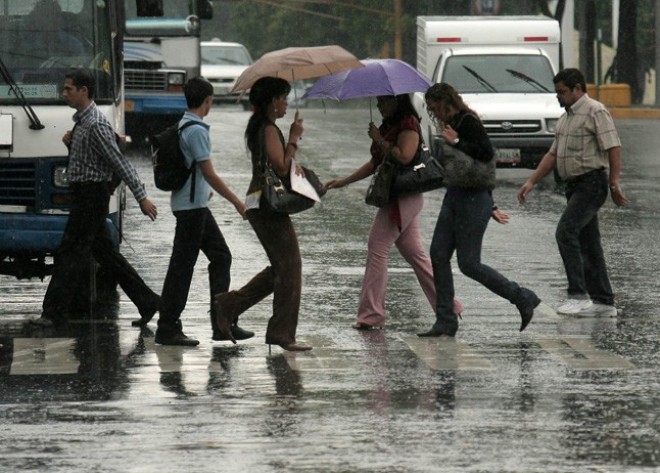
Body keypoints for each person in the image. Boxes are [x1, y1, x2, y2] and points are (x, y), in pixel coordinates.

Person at [33, 67, 160, 328]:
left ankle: (53, 313)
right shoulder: (82, 122)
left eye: (69, 89)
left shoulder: (96, 124)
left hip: (92, 196)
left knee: (70, 251)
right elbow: (87, 161)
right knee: (106, 254)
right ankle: (147, 301)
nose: (64, 93)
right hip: (85, 194)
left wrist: (142, 196)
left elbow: (120, 163)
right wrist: (71, 143)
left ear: (84, 91)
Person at [325, 94, 463, 330]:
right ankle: (449, 305)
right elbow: (375, 164)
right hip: (397, 197)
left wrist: (380, 140)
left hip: (403, 197)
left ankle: (371, 314)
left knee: (377, 248)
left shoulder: (408, 123)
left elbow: (404, 156)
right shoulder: (388, 125)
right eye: (377, 103)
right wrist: (344, 181)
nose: (379, 106)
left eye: (383, 102)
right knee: (416, 256)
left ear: (396, 101)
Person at [419, 82, 541, 337]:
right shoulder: (451, 125)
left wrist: (458, 141)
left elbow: (485, 155)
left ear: (447, 102)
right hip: (455, 196)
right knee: (438, 254)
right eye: (431, 110)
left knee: (469, 264)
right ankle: (446, 320)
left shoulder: (468, 122)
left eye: (435, 108)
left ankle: (522, 297)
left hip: (473, 200)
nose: (434, 113)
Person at [517, 68, 629, 317]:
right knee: (590, 243)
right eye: (557, 92)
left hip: (592, 184)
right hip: (574, 186)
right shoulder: (566, 118)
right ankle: (603, 301)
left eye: (563, 92)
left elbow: (613, 146)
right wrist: (531, 182)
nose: (559, 96)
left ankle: (578, 294)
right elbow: (553, 154)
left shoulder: (595, 111)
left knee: (565, 232)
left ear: (578, 88)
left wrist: (614, 183)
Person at [212, 76, 312, 352]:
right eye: (283, 98)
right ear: (272, 101)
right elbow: (280, 167)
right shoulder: (268, 129)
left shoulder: (263, 127)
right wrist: (293, 138)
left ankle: (229, 304)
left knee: (282, 268)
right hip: (269, 207)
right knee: (290, 268)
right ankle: (282, 333)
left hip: (262, 205)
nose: (286, 104)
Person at [152, 77, 251, 346]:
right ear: (207, 101)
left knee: (221, 256)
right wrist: (236, 202)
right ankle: (167, 327)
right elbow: (210, 173)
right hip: (191, 211)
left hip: (196, 207)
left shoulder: (185, 124)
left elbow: (199, 172)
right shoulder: (196, 130)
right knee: (181, 268)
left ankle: (223, 323)